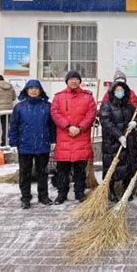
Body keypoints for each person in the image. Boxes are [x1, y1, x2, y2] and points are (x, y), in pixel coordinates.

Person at [50, 71, 97, 204]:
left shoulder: (87, 97)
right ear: (67, 81)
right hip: (65, 138)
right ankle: (62, 193)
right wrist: (68, 126)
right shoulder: (59, 97)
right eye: (71, 79)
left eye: (76, 79)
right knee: (63, 170)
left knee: (79, 170)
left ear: (79, 81)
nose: (74, 81)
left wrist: (80, 127)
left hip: (81, 138)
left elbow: (91, 114)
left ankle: (79, 193)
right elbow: (55, 113)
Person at [8, 80, 56, 209]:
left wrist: (53, 140)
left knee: (43, 173)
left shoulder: (47, 106)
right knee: (25, 173)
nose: (33, 90)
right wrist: (13, 142)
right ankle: (25, 197)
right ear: (26, 90)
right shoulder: (19, 107)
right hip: (25, 145)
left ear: (40, 90)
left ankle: (43, 196)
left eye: (36, 88)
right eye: (31, 88)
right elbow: (14, 126)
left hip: (42, 144)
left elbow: (52, 126)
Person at [99, 81, 137, 202]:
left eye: (122, 90)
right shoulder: (106, 105)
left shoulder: (128, 105)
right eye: (117, 90)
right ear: (112, 92)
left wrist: (135, 122)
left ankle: (127, 190)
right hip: (112, 142)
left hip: (129, 141)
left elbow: (136, 116)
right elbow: (106, 122)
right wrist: (119, 136)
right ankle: (110, 191)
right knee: (112, 167)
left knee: (128, 166)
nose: (119, 92)